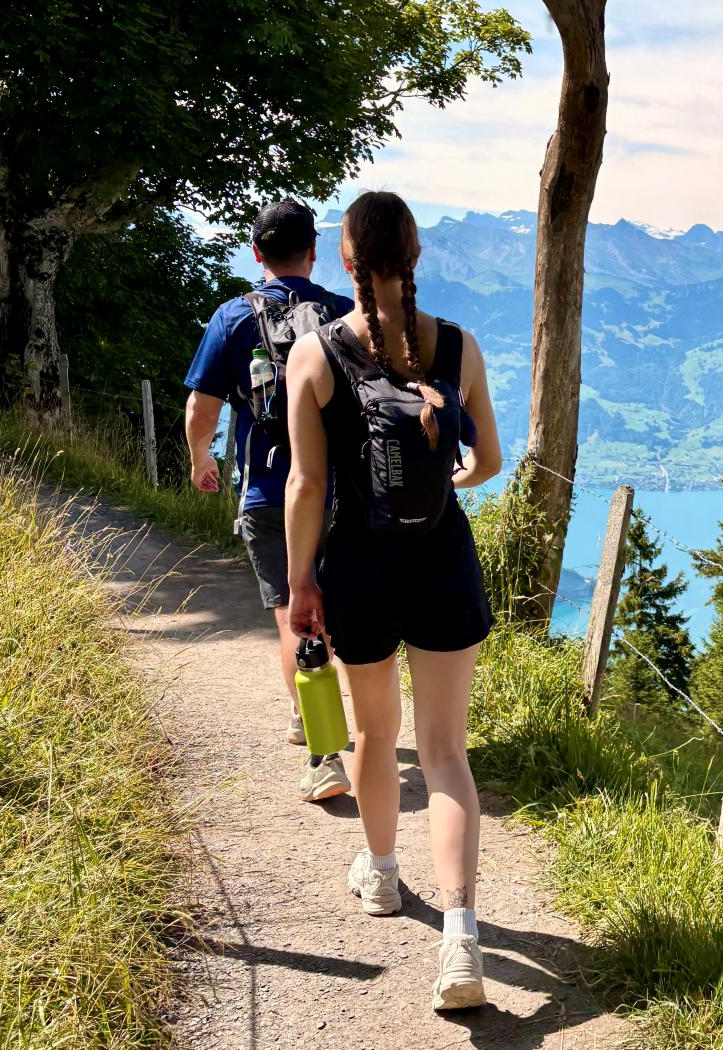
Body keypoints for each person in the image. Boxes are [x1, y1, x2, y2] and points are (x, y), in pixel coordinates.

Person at [284, 191, 502, 1010]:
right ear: (415, 257)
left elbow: (306, 486)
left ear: (345, 260)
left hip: (359, 568)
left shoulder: (316, 354)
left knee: (377, 732)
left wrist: (301, 582)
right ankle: (461, 940)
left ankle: (380, 873)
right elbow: (489, 460)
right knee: (446, 754)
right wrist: (445, 482)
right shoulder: (459, 346)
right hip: (443, 563)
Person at [184, 200, 355, 803]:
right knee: (334, 610)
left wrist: (201, 459)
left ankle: (323, 751)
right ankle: (337, 719)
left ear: (256, 253)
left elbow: (202, 407)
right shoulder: (342, 314)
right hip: (341, 490)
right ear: (314, 251)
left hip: (268, 489)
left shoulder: (232, 317)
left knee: (292, 613)